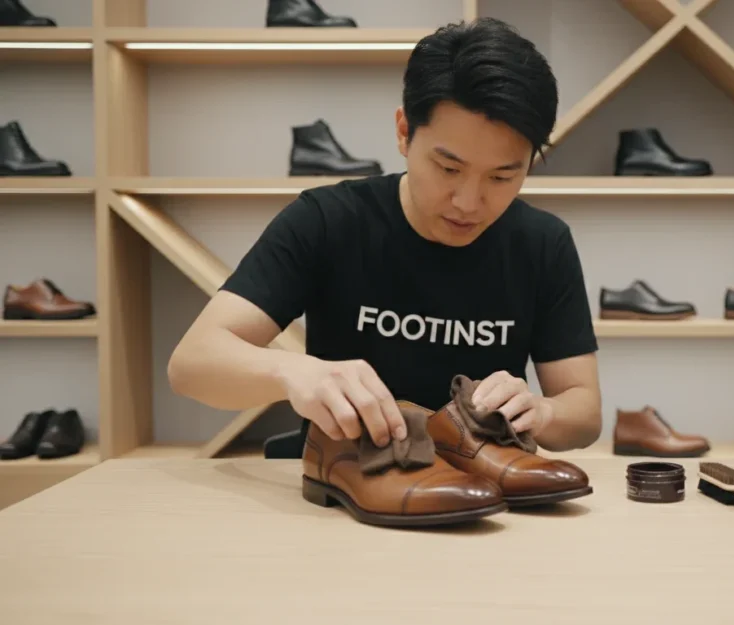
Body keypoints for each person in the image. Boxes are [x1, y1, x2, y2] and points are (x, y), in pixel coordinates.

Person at [166, 18, 602, 454]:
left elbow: (584, 414)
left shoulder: (542, 243)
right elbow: (192, 363)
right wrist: (293, 372)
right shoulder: (327, 220)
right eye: (449, 169)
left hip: (483, 488)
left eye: (503, 176)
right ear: (403, 132)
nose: (469, 202)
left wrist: (542, 413)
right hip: (352, 482)